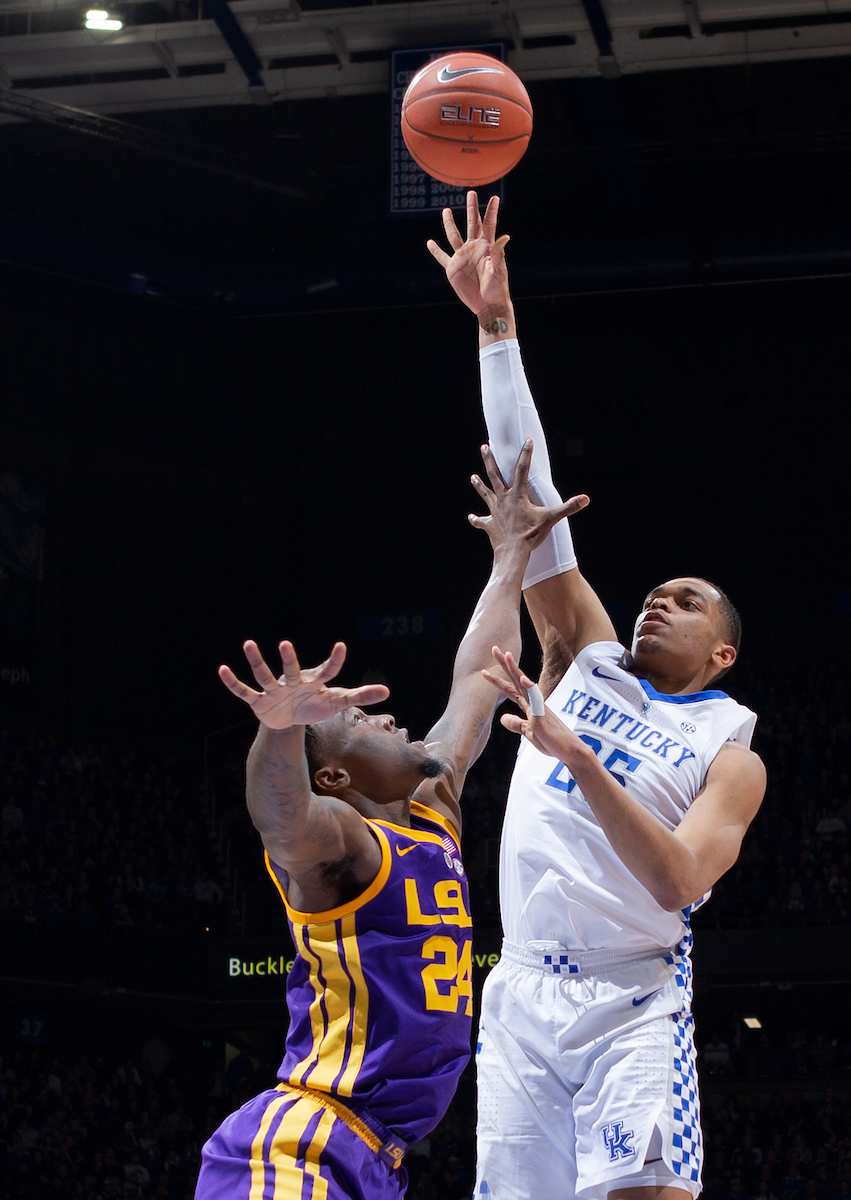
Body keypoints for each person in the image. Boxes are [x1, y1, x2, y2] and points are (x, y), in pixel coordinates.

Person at [428, 193, 767, 1200]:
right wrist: (495, 328)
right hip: (521, 988)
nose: (659, 600)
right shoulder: (585, 651)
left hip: (632, 999)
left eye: (688, 601)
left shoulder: (726, 751)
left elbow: (674, 883)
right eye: (656, 591)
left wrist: (574, 756)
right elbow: (529, 494)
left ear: (722, 655)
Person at [194, 443, 586, 1200]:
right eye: (363, 723)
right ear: (336, 777)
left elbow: (478, 674)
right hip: (300, 1145)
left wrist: (509, 556)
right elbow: (280, 817)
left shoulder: (429, 812)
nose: (392, 717)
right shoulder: (342, 842)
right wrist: (278, 727)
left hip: (375, 1158)